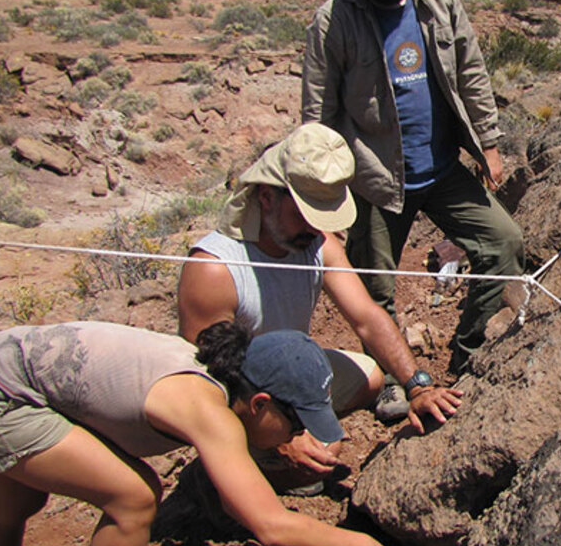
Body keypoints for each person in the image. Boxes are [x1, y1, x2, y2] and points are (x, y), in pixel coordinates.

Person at [0, 320, 416, 546]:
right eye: (296, 422)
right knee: (134, 495)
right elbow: (268, 525)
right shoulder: (208, 410)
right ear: (259, 404)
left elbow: (240, 499)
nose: (298, 435)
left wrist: (313, 545)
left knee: (22, 499)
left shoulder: (216, 377)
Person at [177, 124, 463, 490]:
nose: (314, 227)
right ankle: (239, 463)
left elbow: (366, 317)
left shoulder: (315, 244)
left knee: (369, 378)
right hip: (240, 395)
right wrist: (283, 438)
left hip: (287, 378)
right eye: (304, 213)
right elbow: (208, 380)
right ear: (266, 197)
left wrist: (417, 385)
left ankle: (273, 449)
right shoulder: (215, 268)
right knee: (313, 457)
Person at [302, 0, 524, 376]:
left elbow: (471, 71)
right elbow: (317, 116)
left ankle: (470, 353)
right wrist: (321, 195)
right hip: (375, 179)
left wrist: (488, 143)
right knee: (375, 290)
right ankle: (391, 379)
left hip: (442, 169)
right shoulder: (333, 20)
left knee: (503, 244)